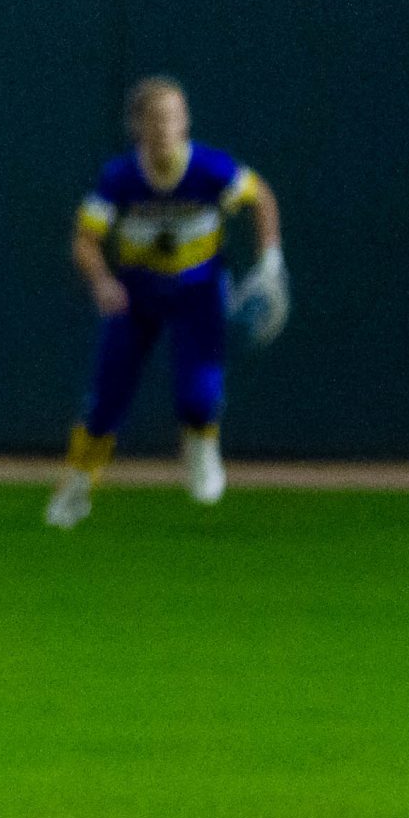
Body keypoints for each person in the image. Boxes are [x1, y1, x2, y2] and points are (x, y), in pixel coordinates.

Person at [47, 76, 285, 529]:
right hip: (137, 294)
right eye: (156, 119)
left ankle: (201, 452)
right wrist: (101, 280)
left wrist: (270, 260)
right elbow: (85, 239)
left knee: (198, 394)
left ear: (186, 122)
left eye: (175, 117)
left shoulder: (209, 169)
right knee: (105, 401)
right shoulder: (120, 177)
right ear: (137, 125)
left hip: (199, 291)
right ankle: (77, 485)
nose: (166, 128)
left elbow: (262, 197)